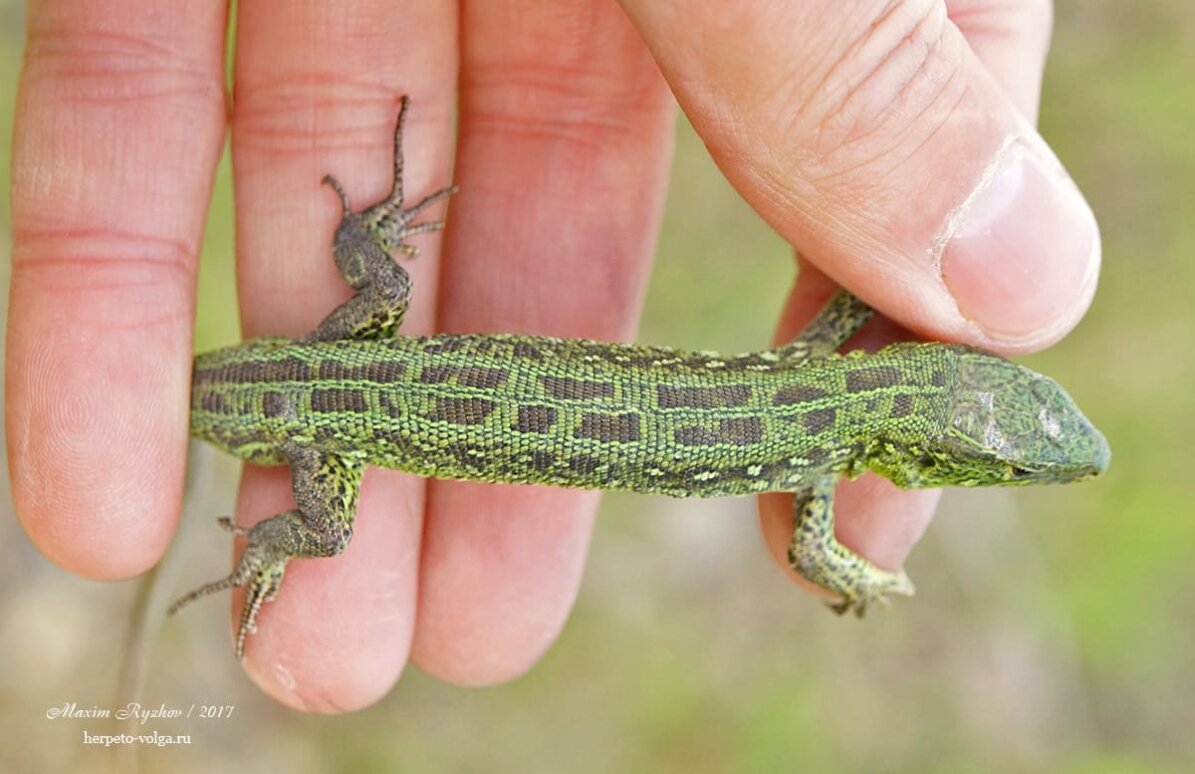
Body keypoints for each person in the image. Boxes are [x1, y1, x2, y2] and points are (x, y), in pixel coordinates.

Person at [7, 0, 1099, 711]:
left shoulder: (831, 360)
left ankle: (371, 249)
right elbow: (818, 560)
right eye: (1002, 461)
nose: (1017, 471)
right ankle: (264, 551)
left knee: (382, 285)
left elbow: (860, 287)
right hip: (326, 420)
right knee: (327, 528)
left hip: (357, 366)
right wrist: (864, 576)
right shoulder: (810, 467)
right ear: (924, 450)